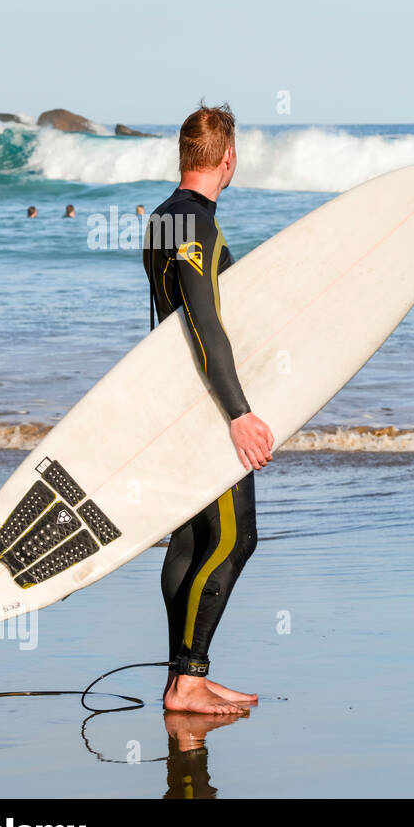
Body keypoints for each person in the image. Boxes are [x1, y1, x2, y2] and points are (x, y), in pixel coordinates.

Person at [143, 103, 275, 715]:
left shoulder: (163, 219)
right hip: (206, 406)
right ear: (227, 158)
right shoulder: (197, 223)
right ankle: (188, 681)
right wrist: (238, 412)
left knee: (190, 543)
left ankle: (184, 677)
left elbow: (168, 323)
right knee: (234, 538)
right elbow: (203, 326)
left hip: (174, 397)